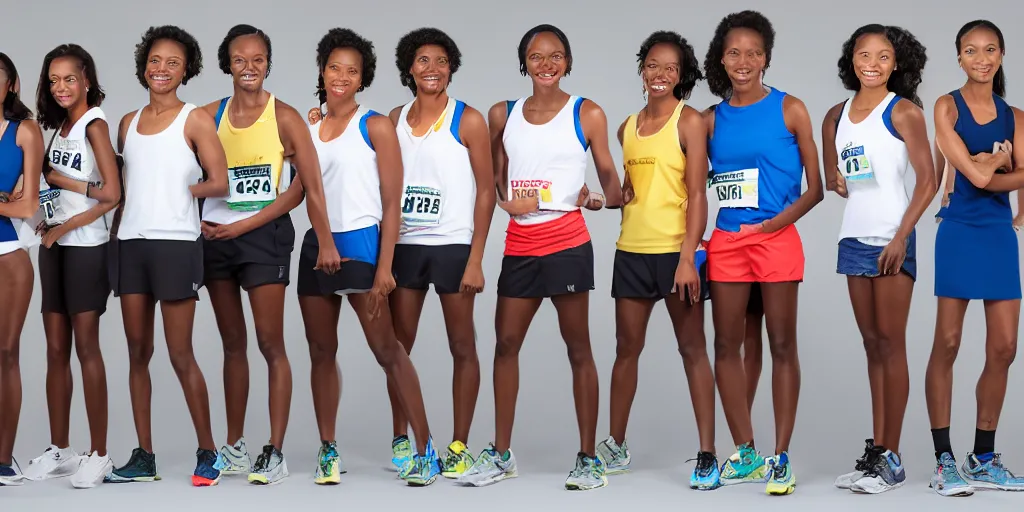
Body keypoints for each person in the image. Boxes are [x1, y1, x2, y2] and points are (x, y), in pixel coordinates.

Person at [454, 24, 622, 491]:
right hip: (520, 246)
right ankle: (501, 453)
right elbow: (489, 182)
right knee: (505, 345)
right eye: (535, 56)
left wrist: (595, 199)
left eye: (555, 56)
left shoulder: (586, 113)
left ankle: (588, 458)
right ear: (523, 62)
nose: (546, 64)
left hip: (568, 243)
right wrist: (509, 205)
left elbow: (611, 186)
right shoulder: (501, 114)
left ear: (567, 61)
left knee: (578, 348)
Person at [300, 27, 442, 487]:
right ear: (322, 71)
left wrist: (385, 268)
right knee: (321, 351)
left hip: (363, 246)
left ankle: (425, 449)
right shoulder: (308, 126)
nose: (342, 76)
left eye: (352, 70)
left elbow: (391, 202)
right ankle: (328, 449)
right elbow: (302, 191)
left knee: (388, 350)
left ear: (363, 79)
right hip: (316, 248)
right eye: (334, 67)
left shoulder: (376, 125)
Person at [200, 24, 340, 487]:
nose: (249, 68)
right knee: (232, 344)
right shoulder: (206, 116)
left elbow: (306, 187)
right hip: (216, 238)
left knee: (268, 342)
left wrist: (325, 241)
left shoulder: (285, 116)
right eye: (240, 59)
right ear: (227, 64)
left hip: (264, 238)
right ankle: (235, 445)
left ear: (268, 64)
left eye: (258, 59)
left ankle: (274, 451)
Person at [702, 10, 824, 496]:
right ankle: (746, 450)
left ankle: (781, 457)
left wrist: (773, 224)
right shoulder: (711, 119)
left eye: (754, 52)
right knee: (727, 346)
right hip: (728, 242)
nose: (744, 61)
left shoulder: (790, 108)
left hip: (775, 239)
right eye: (734, 52)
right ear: (722, 59)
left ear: (766, 58)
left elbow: (816, 189)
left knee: (779, 346)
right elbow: (688, 182)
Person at [106, 25, 230, 487]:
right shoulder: (126, 123)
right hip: (130, 244)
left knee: (181, 353)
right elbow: (120, 190)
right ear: (144, 65)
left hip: (176, 244)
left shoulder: (194, 119)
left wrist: (179, 192)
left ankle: (208, 452)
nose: (162, 69)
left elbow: (219, 181)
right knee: (138, 352)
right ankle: (145, 456)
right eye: (155, 60)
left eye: (172, 62)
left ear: (186, 70)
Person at [596, 30, 720, 491]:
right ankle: (616, 443)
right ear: (642, 69)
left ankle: (707, 453)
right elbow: (629, 191)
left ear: (683, 74)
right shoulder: (626, 127)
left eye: (670, 67)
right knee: (625, 351)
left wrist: (689, 258)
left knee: (693, 351)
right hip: (631, 252)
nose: (660, 74)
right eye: (652, 64)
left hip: (675, 253)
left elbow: (696, 194)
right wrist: (602, 197)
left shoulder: (688, 122)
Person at [822, 24, 935, 494]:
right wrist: (832, 175)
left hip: (891, 238)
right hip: (853, 239)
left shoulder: (904, 112)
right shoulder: (835, 114)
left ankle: (893, 456)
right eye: (864, 54)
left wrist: (902, 238)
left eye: (883, 56)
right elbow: (834, 164)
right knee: (871, 346)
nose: (872, 63)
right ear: (852, 60)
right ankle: (877, 454)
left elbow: (927, 181)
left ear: (896, 63)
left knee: (892, 344)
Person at [384, 27, 494, 479]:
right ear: (409, 68)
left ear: (452, 68)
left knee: (462, 345)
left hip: (452, 245)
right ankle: (402, 439)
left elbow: (486, 192)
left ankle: (459, 444)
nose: (433, 69)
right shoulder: (392, 117)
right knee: (397, 348)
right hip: (406, 246)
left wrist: (475, 258)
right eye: (423, 61)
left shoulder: (467, 120)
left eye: (441, 61)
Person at [926, 19, 1024, 497]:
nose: (981, 58)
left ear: (1001, 56)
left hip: (998, 234)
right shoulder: (946, 106)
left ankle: (983, 456)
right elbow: (977, 179)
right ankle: (944, 459)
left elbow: (1011, 176)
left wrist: (994, 166)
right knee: (947, 342)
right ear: (959, 57)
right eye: (971, 50)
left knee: (1005, 347)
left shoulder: (1017, 116)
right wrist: (997, 162)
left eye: (990, 50)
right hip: (960, 228)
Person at [18, 44, 121, 489]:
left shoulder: (94, 124)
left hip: (85, 247)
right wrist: (46, 222)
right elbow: (53, 191)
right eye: (53, 80)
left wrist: (63, 211)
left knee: (85, 349)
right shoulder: (60, 128)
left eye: (70, 79)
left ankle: (98, 454)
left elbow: (111, 193)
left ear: (87, 81)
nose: (61, 87)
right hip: (54, 244)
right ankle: (60, 450)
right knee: (55, 351)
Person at [0, 52, 43, 488]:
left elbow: (28, 205)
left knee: (5, 352)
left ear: (11, 84)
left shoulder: (24, 131)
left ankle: (3, 458)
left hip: (8, 253)